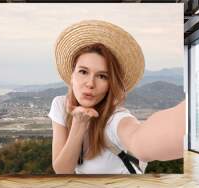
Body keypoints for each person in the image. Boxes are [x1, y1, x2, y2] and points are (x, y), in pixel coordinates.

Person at [48, 20, 185, 174]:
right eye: (83, 72)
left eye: (102, 76)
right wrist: (78, 125)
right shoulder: (60, 105)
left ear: (110, 84)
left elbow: (139, 141)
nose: (90, 83)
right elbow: (62, 170)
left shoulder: (115, 119)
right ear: (72, 75)